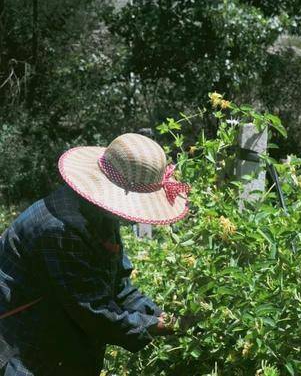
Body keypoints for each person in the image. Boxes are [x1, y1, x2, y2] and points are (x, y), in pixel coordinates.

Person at [0, 133, 191, 375]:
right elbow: (92, 310)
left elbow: (118, 285)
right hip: (21, 340)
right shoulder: (60, 228)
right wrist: (158, 326)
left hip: (56, 328)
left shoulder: (99, 213)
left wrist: (157, 314)